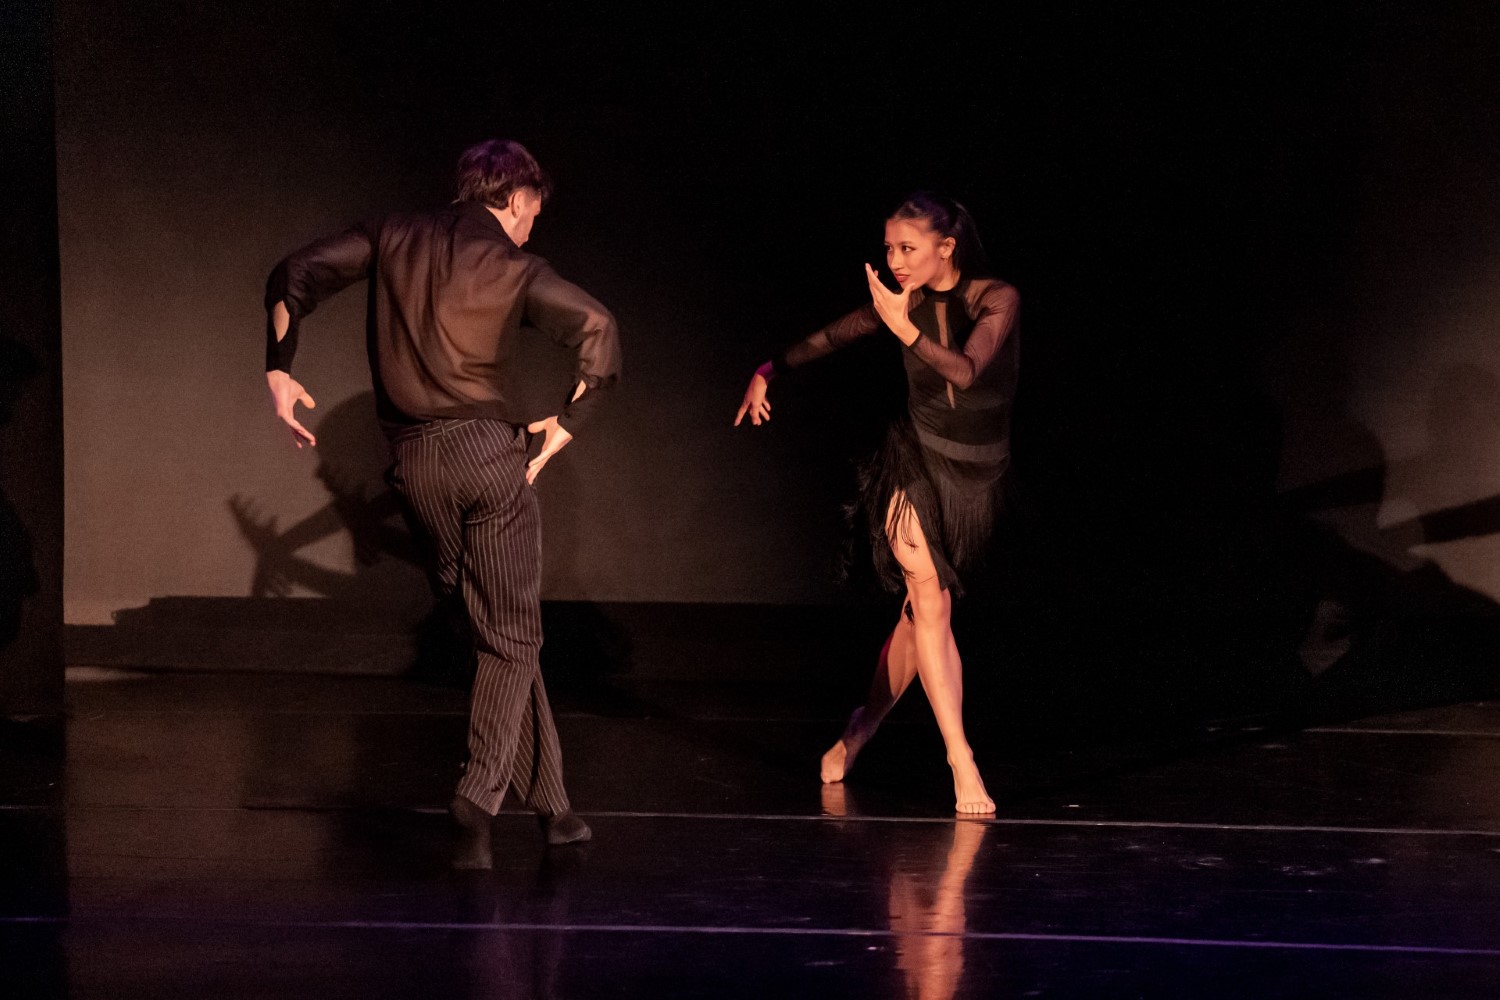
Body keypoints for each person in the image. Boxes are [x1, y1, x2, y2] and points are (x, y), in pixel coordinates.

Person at [262, 139, 622, 867]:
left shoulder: (390, 234)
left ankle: (554, 808)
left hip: (415, 465)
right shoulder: (517, 265)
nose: (533, 225)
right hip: (488, 457)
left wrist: (278, 368)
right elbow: (600, 331)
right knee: (513, 638)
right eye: (534, 211)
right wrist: (566, 425)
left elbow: (292, 274)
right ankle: (478, 794)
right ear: (516, 198)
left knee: (491, 628)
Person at [735, 192, 1018, 815]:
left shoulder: (995, 298)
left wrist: (902, 326)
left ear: (947, 247)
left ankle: (861, 728)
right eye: (889, 248)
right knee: (930, 603)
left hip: (973, 477)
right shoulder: (898, 304)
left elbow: (966, 371)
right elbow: (830, 337)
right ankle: (960, 760)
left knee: (919, 622)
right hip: (910, 462)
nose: (894, 260)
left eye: (907, 248)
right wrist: (767, 369)